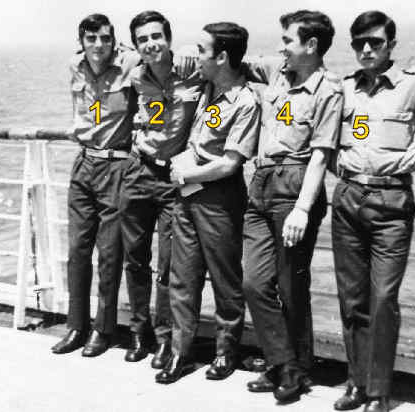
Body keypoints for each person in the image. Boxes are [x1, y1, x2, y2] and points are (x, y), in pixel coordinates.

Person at [331, 11, 415, 412]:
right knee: (352, 299)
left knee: (383, 298)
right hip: (348, 198)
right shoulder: (344, 88)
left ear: (391, 46)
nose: (366, 50)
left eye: (375, 42)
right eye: (359, 43)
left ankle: (379, 391)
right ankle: (356, 383)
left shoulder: (413, 86)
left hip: (392, 202)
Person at [241, 10, 343, 403]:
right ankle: (285, 363)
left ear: (311, 45)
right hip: (261, 182)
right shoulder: (276, 72)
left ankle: (292, 369)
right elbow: (235, 59)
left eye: (288, 40)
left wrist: (302, 209)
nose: (281, 46)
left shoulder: (327, 90)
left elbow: (320, 155)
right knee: (254, 282)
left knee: (290, 285)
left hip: (295, 186)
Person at [154, 22, 261, 384]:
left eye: (203, 50)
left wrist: (186, 174)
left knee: (224, 280)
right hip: (188, 196)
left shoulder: (245, 102)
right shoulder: (206, 87)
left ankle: (226, 351)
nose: (196, 55)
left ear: (223, 57)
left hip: (219, 199)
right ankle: (180, 353)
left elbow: (230, 163)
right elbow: (170, 62)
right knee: (182, 278)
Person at [51, 14, 140, 357]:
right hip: (84, 163)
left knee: (109, 254)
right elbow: (87, 110)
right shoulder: (75, 66)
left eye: (105, 38)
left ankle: (103, 330)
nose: (98, 45)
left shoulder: (130, 62)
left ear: (114, 40)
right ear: (82, 42)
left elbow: (165, 67)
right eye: (91, 39)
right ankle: (76, 326)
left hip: (116, 165)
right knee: (77, 250)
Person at [119, 10, 200, 369]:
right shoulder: (136, 76)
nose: (150, 44)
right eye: (143, 39)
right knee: (135, 257)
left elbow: (227, 63)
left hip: (173, 179)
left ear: (168, 38)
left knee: (169, 265)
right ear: (135, 46)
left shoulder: (192, 69)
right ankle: (140, 332)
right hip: (139, 171)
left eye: (156, 36)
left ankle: (165, 339)